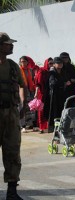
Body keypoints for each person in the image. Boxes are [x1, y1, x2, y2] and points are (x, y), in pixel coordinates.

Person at [0, 32, 25, 200]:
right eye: (8, 43)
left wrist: (23, 102)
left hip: (11, 114)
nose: (11, 45)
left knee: (13, 151)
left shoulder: (13, 66)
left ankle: (12, 191)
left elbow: (23, 85)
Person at [43, 57, 65, 132]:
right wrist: (63, 83)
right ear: (54, 64)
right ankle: (56, 132)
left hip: (61, 96)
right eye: (58, 63)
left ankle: (59, 131)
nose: (60, 64)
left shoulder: (62, 72)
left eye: (61, 63)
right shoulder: (52, 73)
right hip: (54, 97)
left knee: (61, 114)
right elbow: (53, 84)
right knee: (55, 115)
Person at [34, 57, 53, 133]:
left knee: (49, 110)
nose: (51, 65)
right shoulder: (42, 71)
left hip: (49, 94)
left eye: (52, 63)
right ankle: (41, 128)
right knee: (41, 111)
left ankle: (48, 127)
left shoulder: (52, 71)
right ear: (46, 63)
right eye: (50, 63)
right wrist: (36, 93)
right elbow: (38, 83)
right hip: (42, 94)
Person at [19, 56, 36, 132]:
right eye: (22, 61)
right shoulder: (18, 70)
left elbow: (33, 79)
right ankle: (22, 126)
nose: (23, 63)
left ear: (27, 62)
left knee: (30, 108)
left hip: (30, 90)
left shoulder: (30, 70)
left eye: (24, 61)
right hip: (21, 90)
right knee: (22, 107)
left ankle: (30, 124)